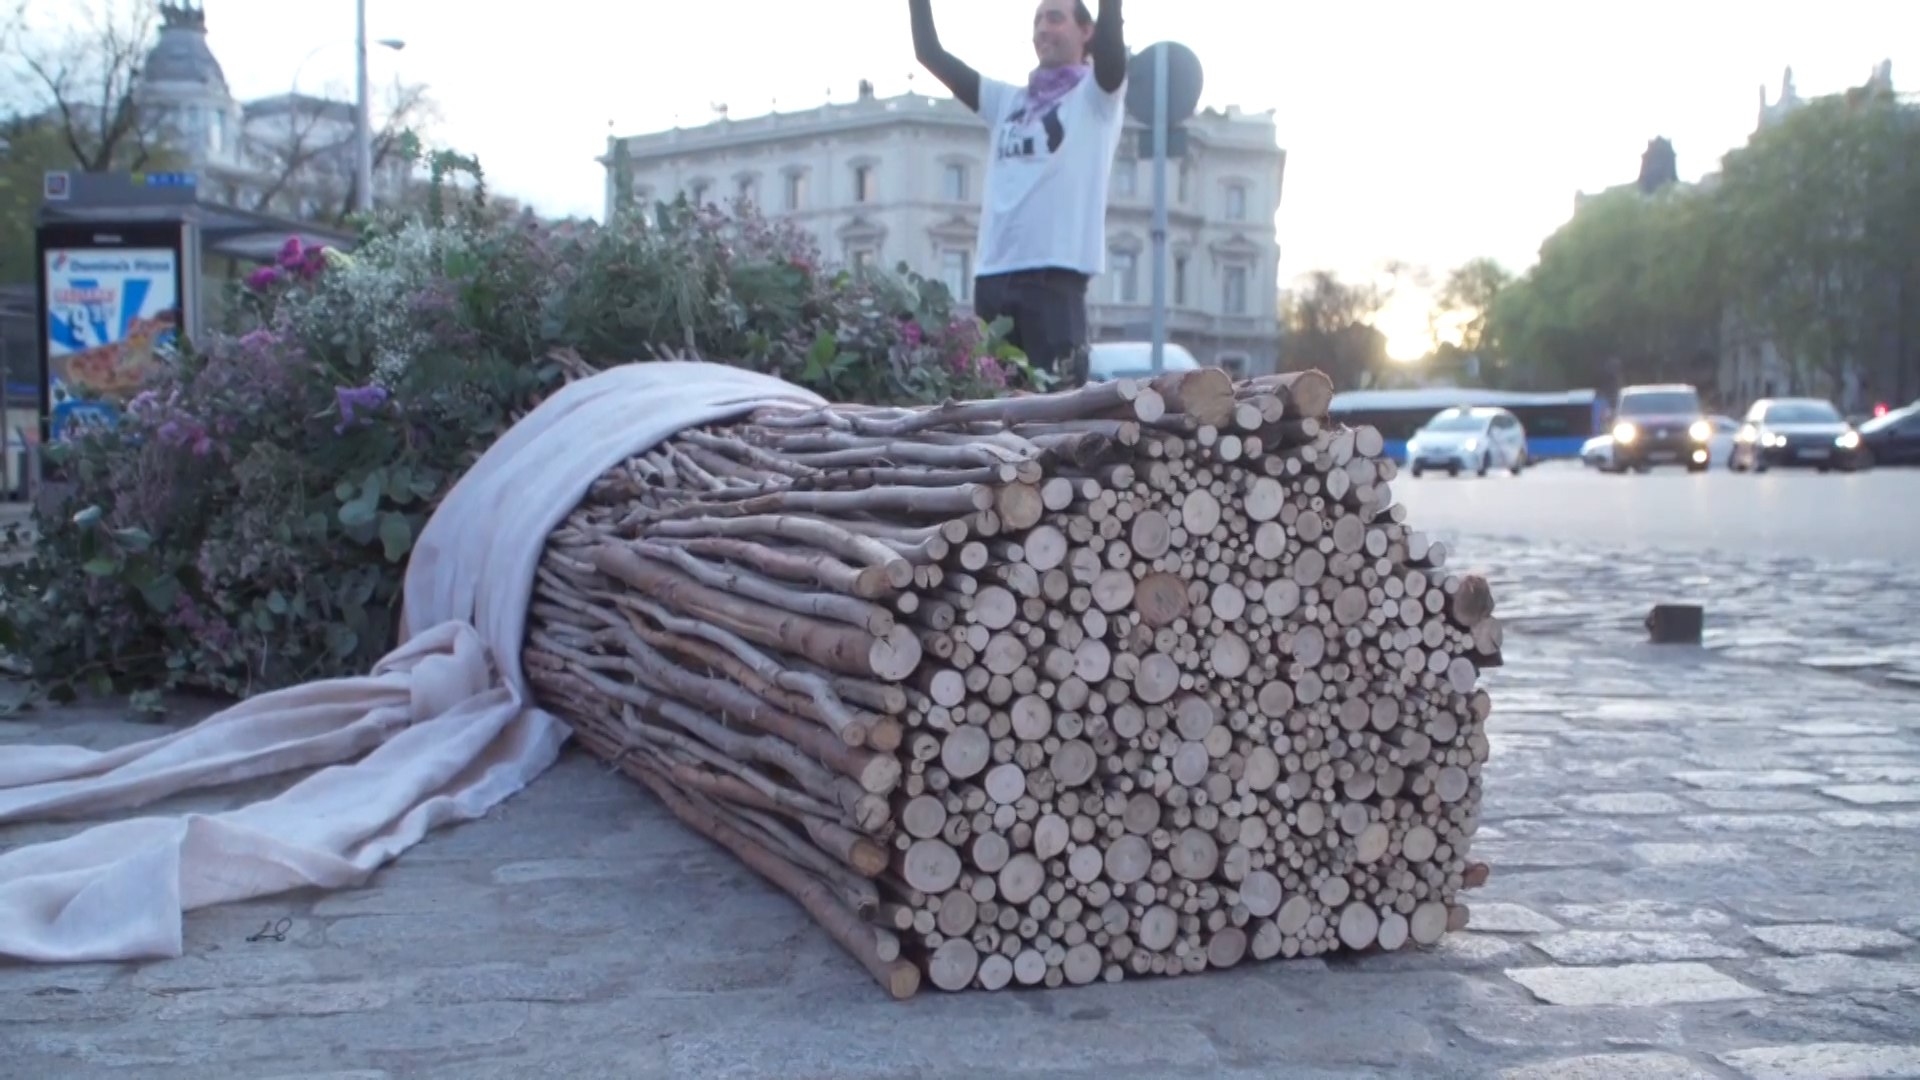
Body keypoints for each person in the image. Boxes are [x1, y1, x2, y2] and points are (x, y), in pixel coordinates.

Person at [910, 0, 1127, 386]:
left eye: (1055, 18)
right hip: (993, 280)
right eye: (1038, 20)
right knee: (996, 416)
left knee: (1057, 416)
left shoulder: (1097, 98)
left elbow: (1112, 49)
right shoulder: (1005, 101)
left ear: (1086, 31)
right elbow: (930, 54)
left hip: (1055, 280)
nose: (1043, 28)